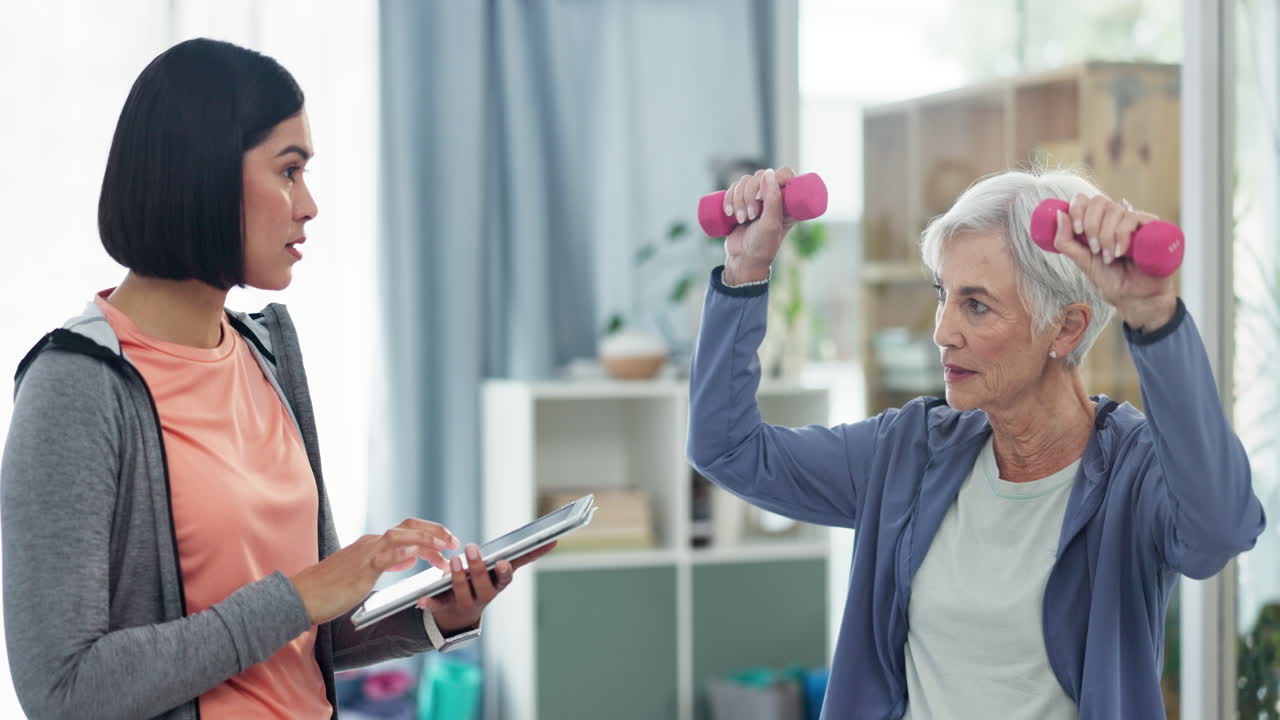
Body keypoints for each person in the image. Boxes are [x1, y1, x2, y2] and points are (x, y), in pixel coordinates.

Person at [0, 38, 551, 720]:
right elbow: (62, 691)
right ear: (202, 172)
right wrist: (302, 594)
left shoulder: (267, 354)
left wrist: (434, 617)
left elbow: (306, 634)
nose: (309, 204)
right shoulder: (77, 386)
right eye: (289, 171)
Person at [688, 166, 1265, 718]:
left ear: (1065, 328)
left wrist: (1153, 317)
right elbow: (727, 449)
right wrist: (745, 268)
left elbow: (1221, 531)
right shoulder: (908, 452)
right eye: (944, 294)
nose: (942, 331)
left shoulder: (1131, 477)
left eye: (976, 305)